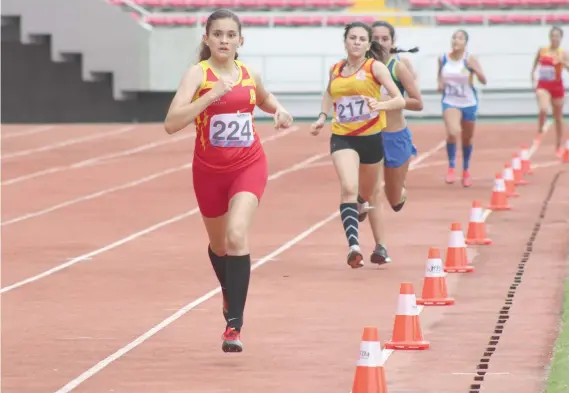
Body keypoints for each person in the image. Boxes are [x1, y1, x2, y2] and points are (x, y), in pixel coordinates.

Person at [164, 8, 293, 353]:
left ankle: (233, 325)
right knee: (220, 246)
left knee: (237, 235)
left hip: (248, 165)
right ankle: (229, 292)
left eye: (230, 35)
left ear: (240, 41)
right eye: (217, 34)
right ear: (206, 39)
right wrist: (210, 95)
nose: (224, 40)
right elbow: (171, 122)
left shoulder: (249, 73)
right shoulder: (198, 74)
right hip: (208, 172)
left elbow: (264, 100)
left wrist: (279, 111)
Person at [310, 21, 406, 269]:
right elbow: (329, 94)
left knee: (369, 194)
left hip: (371, 138)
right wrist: (322, 117)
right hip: (342, 136)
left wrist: (379, 105)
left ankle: (379, 242)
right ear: (345, 41)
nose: (356, 42)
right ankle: (354, 247)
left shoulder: (375, 67)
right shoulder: (335, 69)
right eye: (352, 38)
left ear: (367, 44)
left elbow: (398, 99)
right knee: (349, 187)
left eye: (362, 39)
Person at [356, 20, 423, 265]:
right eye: (377, 38)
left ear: (393, 42)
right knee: (373, 191)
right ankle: (380, 247)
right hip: (370, 136)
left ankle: (398, 194)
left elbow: (418, 102)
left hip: (396, 136)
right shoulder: (362, 68)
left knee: (393, 198)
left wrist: (389, 103)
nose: (381, 42)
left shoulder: (398, 67)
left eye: (386, 38)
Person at [437, 29, 486, 187]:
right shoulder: (443, 58)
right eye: (454, 38)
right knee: (453, 132)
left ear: (465, 43)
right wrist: (439, 84)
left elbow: (483, 80)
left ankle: (465, 170)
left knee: (467, 138)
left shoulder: (469, 59)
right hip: (450, 101)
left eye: (460, 38)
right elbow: (440, 76)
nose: (456, 41)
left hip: (469, 102)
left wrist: (475, 69)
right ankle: (451, 167)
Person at [531, 26, 568, 156]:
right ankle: (540, 127)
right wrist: (532, 78)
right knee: (543, 108)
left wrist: (562, 61)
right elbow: (535, 65)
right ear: (549, 37)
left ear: (561, 38)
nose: (554, 38)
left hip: (557, 86)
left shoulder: (563, 52)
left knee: (558, 118)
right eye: (552, 35)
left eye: (557, 36)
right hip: (543, 85)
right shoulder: (542, 50)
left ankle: (558, 143)